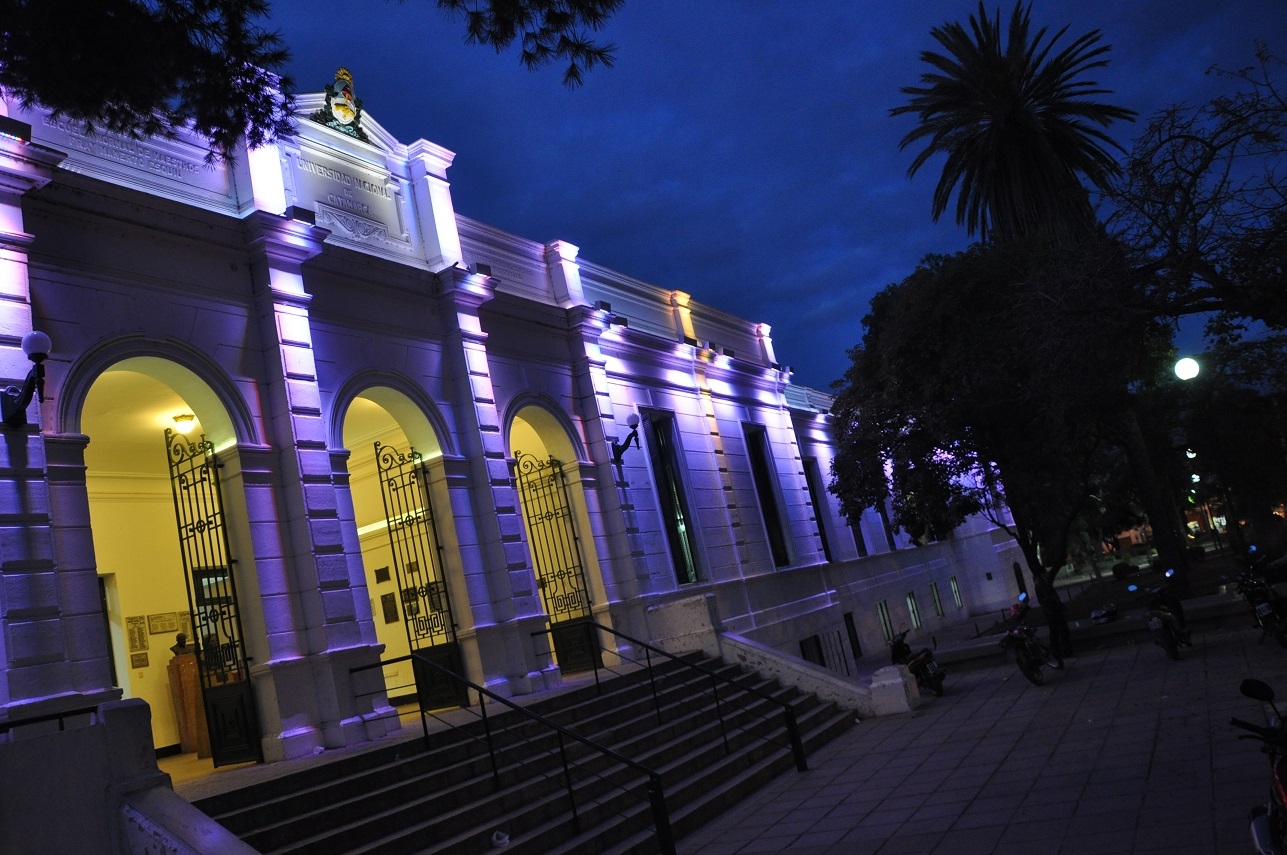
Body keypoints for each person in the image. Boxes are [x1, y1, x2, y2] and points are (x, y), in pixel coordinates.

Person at [1030, 564, 1072, 668]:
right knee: (1058, 631)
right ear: (1042, 573)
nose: (1047, 573)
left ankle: (1058, 654)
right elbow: (1050, 597)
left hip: (1051, 611)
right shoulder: (1042, 583)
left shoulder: (1040, 582)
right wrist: (1059, 606)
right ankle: (1059, 653)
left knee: (1056, 632)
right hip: (1053, 611)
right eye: (1045, 571)